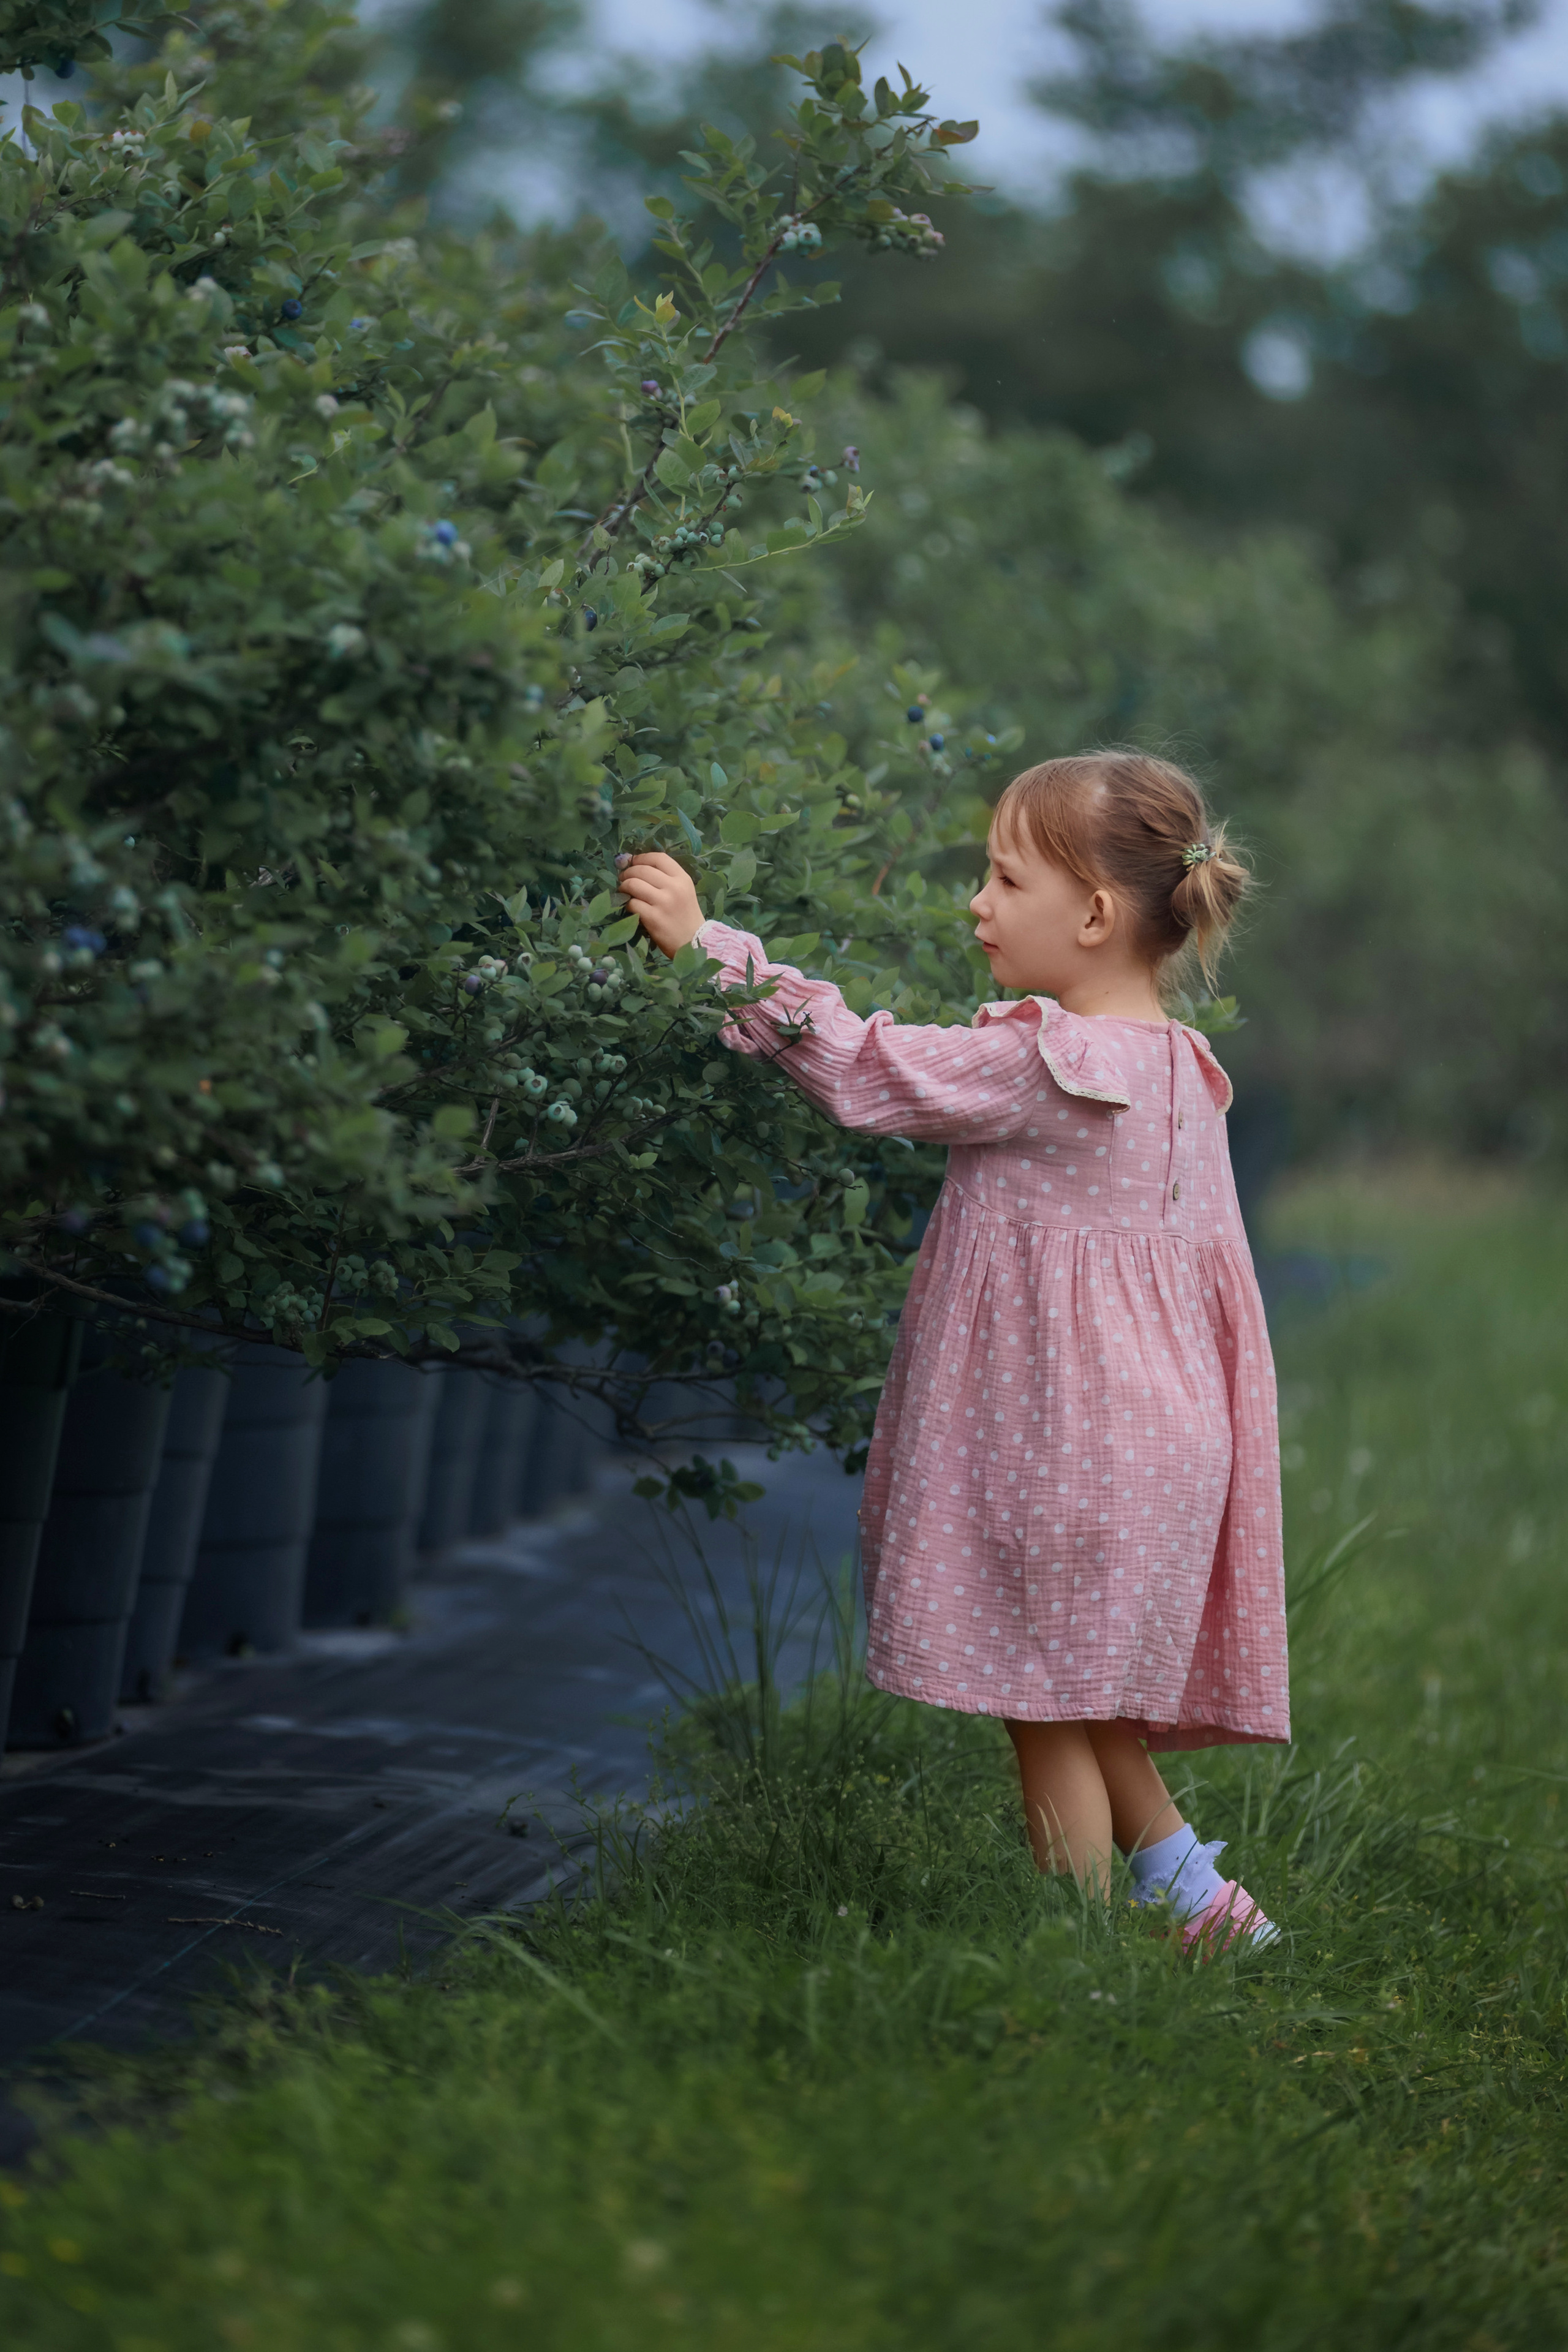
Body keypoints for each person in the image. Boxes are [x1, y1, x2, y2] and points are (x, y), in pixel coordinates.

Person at [617, 750, 1286, 1956]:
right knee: (1078, 1697)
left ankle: (1071, 1972)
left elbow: (866, 1066)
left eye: (1001, 878)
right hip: (1165, 1438)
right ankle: (1203, 1910)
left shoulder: (1050, 1062)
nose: (975, 905)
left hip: (1069, 1444)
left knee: (1040, 1706)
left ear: (1090, 914)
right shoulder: (1185, 1072)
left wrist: (708, 945)